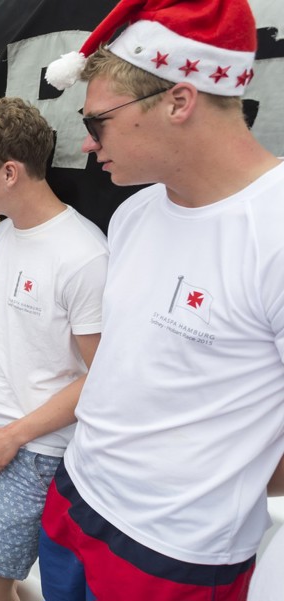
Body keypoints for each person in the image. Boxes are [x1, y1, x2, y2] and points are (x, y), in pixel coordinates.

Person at [38, 0, 284, 599]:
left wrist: (227, 474)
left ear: (179, 100)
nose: (88, 144)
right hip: (77, 495)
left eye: (97, 122)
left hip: (174, 552)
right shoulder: (136, 211)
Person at [0, 98, 107, 601]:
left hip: (35, 448)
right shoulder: (5, 235)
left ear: (10, 172)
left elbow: (103, 378)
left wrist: (13, 435)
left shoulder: (83, 256)